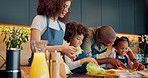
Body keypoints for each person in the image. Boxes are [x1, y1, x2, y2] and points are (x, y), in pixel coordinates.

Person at [29, 0, 77, 65]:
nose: (67, 10)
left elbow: (56, 50)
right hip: (39, 64)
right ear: (55, 4)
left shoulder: (62, 25)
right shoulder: (39, 19)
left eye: (68, 8)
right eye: (65, 6)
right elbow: (35, 48)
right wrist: (62, 48)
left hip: (55, 65)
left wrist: (66, 52)